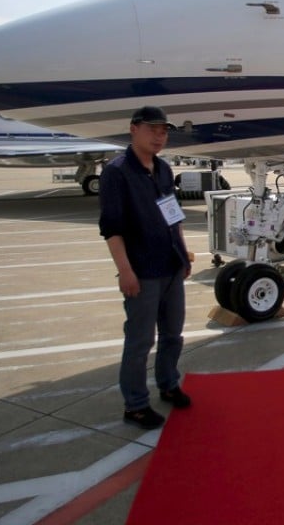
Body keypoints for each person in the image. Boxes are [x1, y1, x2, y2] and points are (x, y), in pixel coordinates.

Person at [99, 106, 193, 429]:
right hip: (142, 271)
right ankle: (136, 405)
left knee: (173, 334)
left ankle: (168, 384)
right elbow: (112, 228)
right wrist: (125, 271)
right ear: (133, 129)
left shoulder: (163, 169)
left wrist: (183, 253)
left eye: (163, 131)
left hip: (170, 266)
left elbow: (172, 213)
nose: (159, 136)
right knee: (140, 342)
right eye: (152, 129)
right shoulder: (117, 172)